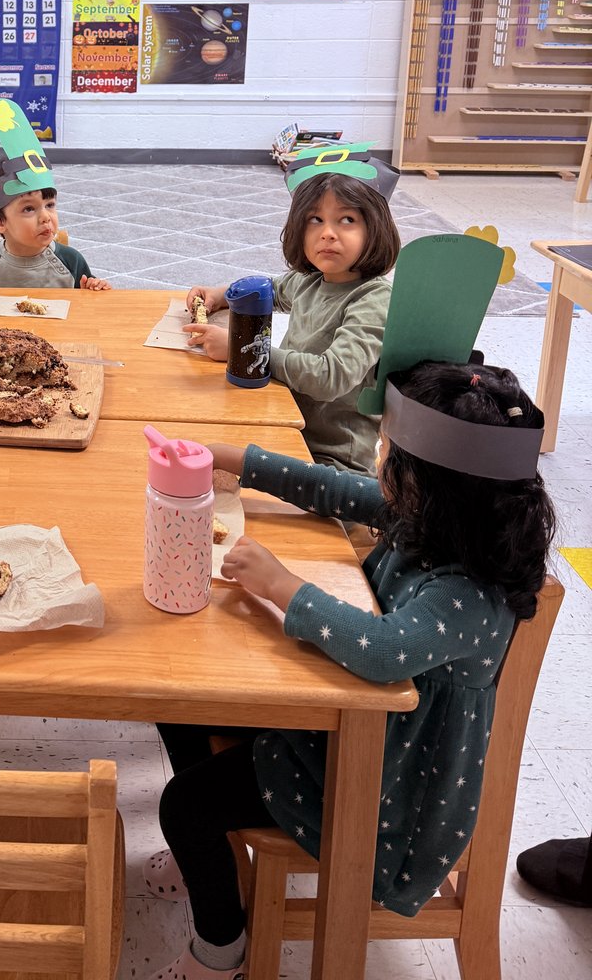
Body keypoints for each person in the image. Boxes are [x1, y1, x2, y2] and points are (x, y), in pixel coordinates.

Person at [143, 358, 555, 980]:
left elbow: (381, 649)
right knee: (178, 705)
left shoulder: (470, 592)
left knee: (183, 805)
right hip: (345, 726)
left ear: (431, 488)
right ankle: (213, 854)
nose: (381, 469)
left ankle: (220, 950)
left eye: (393, 460)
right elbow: (335, 489)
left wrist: (283, 584)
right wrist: (228, 458)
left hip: (381, 790)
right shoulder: (438, 521)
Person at [185, 149, 400, 474]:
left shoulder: (373, 298)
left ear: (375, 227)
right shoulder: (311, 280)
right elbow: (269, 289)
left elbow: (331, 376)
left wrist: (241, 352)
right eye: (316, 220)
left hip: (331, 461)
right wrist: (221, 295)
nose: (327, 232)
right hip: (286, 423)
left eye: (347, 220)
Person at [0, 93, 110, 290]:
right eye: (29, 209)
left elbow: (90, 307)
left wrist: (95, 288)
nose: (45, 217)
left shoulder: (71, 260)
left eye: (50, 205)